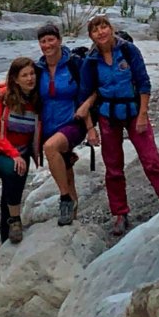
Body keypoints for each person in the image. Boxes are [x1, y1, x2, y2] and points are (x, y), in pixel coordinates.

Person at [80, 14, 159, 235]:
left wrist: (143, 114)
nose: (101, 32)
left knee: (151, 161)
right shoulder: (91, 61)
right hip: (108, 115)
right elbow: (84, 96)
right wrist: (89, 128)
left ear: (111, 29)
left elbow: (143, 82)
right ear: (91, 36)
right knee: (113, 168)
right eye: (96, 30)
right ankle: (120, 214)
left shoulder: (128, 50)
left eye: (104, 27)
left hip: (133, 112)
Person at [35, 21, 96, 227]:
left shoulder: (74, 64)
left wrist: (89, 127)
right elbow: (19, 81)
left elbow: (92, 89)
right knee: (66, 168)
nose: (47, 45)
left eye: (51, 40)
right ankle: (73, 216)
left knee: (50, 148)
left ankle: (65, 200)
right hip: (49, 125)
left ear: (59, 41)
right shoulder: (38, 68)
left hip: (72, 122)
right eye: (43, 41)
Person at [0, 56, 42, 244]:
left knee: (9, 194)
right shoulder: (1, 97)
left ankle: (6, 241)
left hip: (22, 152)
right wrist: (14, 155)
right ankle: (15, 221)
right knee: (14, 172)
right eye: (24, 75)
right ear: (15, 79)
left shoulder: (37, 97)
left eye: (32, 74)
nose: (30, 78)